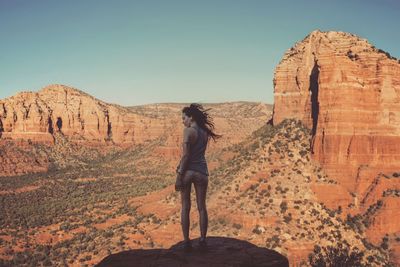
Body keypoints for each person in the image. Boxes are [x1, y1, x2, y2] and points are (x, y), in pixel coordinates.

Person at [175, 103, 221, 249]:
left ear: (191, 117)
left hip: (188, 172)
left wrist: (179, 174)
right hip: (202, 172)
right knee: (202, 207)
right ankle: (202, 239)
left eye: (184, 118)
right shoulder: (205, 132)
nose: (183, 121)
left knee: (185, 207)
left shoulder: (188, 131)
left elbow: (186, 155)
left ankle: (187, 241)